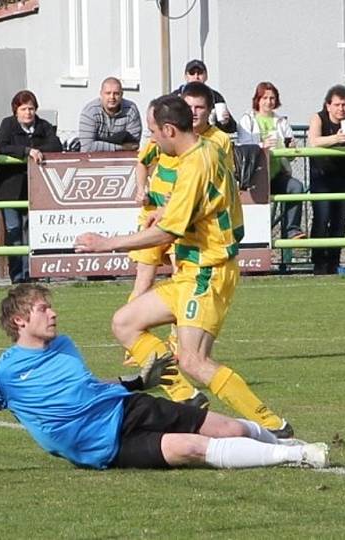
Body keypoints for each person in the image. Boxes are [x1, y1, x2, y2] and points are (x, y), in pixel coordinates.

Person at [0, 284, 328, 476]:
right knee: (192, 448)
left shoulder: (64, 344)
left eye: (52, 308)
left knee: (232, 427)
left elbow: (90, 390)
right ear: (19, 320)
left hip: (128, 406)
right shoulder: (1, 372)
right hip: (104, 446)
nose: (54, 315)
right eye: (44, 309)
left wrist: (138, 382)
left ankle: (286, 442)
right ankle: (298, 456)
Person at [75, 94, 295, 438]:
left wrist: (106, 243)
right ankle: (187, 397)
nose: (151, 139)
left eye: (153, 132)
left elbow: (167, 232)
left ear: (169, 130)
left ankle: (272, 424)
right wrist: (169, 210)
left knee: (193, 360)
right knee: (124, 322)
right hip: (190, 271)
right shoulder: (206, 148)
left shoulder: (195, 163)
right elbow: (207, 202)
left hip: (208, 270)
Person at [126, 81, 236, 407]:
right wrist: (149, 195)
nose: (195, 111)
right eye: (190, 105)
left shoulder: (215, 145)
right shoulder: (170, 143)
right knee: (139, 292)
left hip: (190, 236)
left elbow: (212, 190)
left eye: (199, 106)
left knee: (192, 345)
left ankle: (271, 424)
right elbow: (143, 161)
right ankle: (148, 356)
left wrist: (106, 243)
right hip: (162, 216)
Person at [0, 90, 62, 284]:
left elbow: (56, 146)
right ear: (16, 110)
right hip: (10, 187)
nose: (28, 113)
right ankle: (17, 275)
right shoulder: (8, 124)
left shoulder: (44, 126)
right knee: (14, 229)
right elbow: (1, 146)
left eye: (31, 108)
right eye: (24, 109)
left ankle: (33, 273)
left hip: (36, 189)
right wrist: (26, 151)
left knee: (32, 230)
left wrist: (38, 151)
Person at [307, 85, 345, 275]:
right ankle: (318, 262)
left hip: (343, 175)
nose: (341, 109)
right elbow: (315, 141)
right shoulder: (318, 117)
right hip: (321, 175)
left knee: (339, 220)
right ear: (328, 105)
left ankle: (333, 261)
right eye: (337, 104)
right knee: (321, 217)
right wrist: (337, 138)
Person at [237, 82, 306, 240]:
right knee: (258, 215)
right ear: (258, 100)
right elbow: (244, 147)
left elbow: (290, 155)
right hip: (254, 177)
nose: (269, 102)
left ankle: (291, 230)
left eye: (272, 98)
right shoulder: (247, 120)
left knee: (296, 187)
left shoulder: (281, 121)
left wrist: (291, 149)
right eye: (265, 98)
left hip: (276, 173)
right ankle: (254, 241)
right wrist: (262, 145)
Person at [78, 77, 142, 152]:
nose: (112, 97)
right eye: (108, 93)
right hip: (93, 160)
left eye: (116, 93)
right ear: (101, 94)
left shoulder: (131, 110)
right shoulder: (90, 112)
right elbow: (87, 147)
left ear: (122, 94)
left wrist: (99, 144)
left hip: (122, 159)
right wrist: (121, 147)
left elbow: (133, 145)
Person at [173, 59, 237, 134]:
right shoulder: (175, 97)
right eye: (192, 73)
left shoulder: (215, 96)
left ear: (206, 76)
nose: (196, 77)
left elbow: (232, 128)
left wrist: (226, 122)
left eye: (200, 73)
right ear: (186, 76)